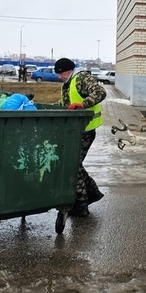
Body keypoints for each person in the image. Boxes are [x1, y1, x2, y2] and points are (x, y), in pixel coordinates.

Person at [55, 58, 107, 217]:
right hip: (76, 129)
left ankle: (81, 203)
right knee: (73, 163)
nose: (59, 77)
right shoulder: (69, 82)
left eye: (61, 73)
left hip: (86, 129)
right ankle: (92, 192)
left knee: (72, 164)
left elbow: (100, 92)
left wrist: (83, 104)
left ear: (69, 70)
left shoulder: (81, 78)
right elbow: (67, 103)